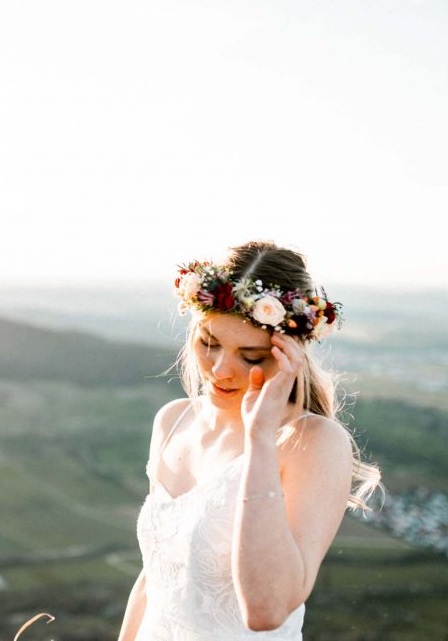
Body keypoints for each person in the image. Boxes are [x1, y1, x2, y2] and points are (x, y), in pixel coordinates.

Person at [118, 240, 383, 640]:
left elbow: (267, 610)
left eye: (252, 356)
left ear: (291, 353)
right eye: (209, 343)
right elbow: (154, 580)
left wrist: (260, 439)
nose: (220, 369)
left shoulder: (313, 443)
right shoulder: (173, 421)